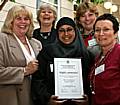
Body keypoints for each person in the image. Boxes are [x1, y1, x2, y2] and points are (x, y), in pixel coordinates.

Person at [31, 17, 94, 105]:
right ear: (57, 33)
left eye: (69, 30)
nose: (66, 34)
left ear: (75, 31)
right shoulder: (47, 52)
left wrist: (88, 99)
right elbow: (38, 79)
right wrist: (47, 98)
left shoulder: (86, 55)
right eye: (61, 30)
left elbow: (92, 81)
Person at [0, 5, 42, 105]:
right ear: (11, 21)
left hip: (34, 98)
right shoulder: (2, 39)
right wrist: (24, 71)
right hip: (11, 98)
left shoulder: (36, 43)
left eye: (26, 19)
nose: (23, 22)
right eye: (18, 18)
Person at [89, 13, 120, 105]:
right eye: (97, 30)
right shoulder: (99, 57)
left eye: (106, 29)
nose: (101, 34)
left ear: (115, 33)